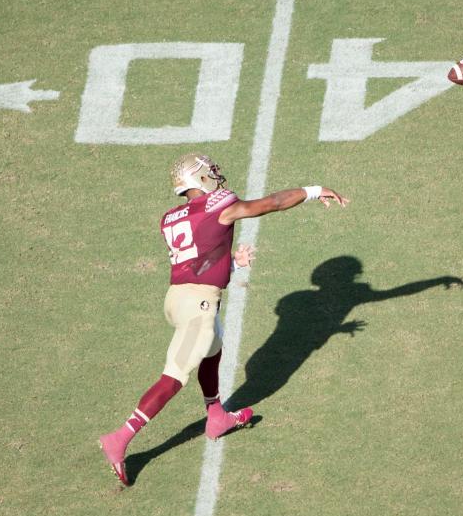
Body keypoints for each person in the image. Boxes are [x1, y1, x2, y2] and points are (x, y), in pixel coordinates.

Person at [100, 153, 349, 485]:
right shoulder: (219, 203)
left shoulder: (170, 218)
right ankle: (120, 438)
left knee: (214, 346)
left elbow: (197, 261)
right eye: (210, 170)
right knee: (174, 376)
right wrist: (315, 190)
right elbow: (273, 203)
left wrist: (231, 263)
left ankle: (216, 415)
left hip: (178, 299)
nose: (216, 174)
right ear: (199, 178)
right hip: (199, 304)